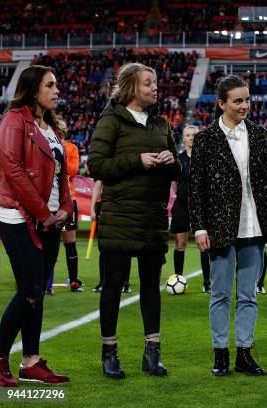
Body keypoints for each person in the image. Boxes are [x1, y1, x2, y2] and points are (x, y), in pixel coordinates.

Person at [88, 62, 180, 379]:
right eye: (148, 83)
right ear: (131, 88)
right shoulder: (111, 119)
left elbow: (177, 171)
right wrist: (137, 160)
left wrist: (172, 161)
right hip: (120, 217)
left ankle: (152, 353)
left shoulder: (162, 124)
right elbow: (96, 165)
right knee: (113, 284)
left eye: (155, 82)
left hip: (153, 219)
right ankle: (109, 353)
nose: (155, 87)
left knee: (151, 287)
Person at [189, 75, 267, 377]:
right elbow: (196, 188)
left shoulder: (260, 135)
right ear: (221, 103)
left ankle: (244, 354)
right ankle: (220, 356)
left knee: (248, 295)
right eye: (238, 101)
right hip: (219, 228)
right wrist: (199, 227)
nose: (245, 105)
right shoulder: (204, 140)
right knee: (219, 295)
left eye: (247, 100)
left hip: (254, 227)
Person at [0, 65, 72, 386]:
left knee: (37, 293)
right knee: (28, 290)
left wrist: (66, 207)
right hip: (19, 216)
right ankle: (0, 359)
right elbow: (12, 170)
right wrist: (43, 213)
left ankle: (31, 361)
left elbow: (62, 174)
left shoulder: (50, 126)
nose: (57, 90)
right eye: (50, 85)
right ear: (32, 89)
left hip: (51, 219)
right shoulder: (14, 121)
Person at [170, 124, 211, 293]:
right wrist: (183, 194)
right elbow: (173, 184)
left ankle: (207, 282)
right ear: (184, 138)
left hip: (201, 205)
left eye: (194, 135)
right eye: (188, 135)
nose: (191, 138)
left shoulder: (206, 158)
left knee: (204, 243)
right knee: (180, 243)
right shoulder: (178, 160)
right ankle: (178, 278)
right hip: (182, 204)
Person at [46, 117, 83, 293]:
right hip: (49, 200)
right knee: (44, 242)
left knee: (70, 241)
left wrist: (60, 152)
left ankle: (74, 281)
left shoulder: (71, 148)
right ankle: (44, 283)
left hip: (69, 199)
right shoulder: (44, 144)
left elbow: (73, 170)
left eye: (60, 129)